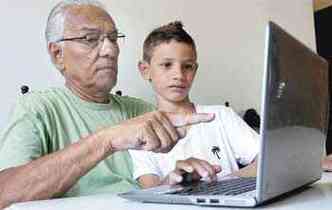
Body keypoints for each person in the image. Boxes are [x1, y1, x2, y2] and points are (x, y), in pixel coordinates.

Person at [0, 1, 215, 209]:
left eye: (113, 39)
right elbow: (5, 195)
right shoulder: (37, 108)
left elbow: (149, 190)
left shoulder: (144, 111)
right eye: (90, 38)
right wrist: (108, 139)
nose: (110, 50)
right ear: (58, 55)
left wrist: (174, 182)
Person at [129, 21, 259, 188]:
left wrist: (219, 184)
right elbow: (149, 192)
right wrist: (173, 180)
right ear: (145, 70)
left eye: (187, 66)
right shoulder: (141, 133)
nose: (179, 74)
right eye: (167, 65)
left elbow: (268, 159)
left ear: (195, 70)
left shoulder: (222, 116)